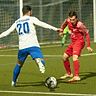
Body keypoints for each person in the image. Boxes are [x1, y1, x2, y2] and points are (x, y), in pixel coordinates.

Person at [0, 5, 60, 86]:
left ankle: (13, 82)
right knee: (41, 61)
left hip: (22, 47)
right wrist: (56, 29)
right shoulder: (32, 19)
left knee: (18, 64)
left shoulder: (17, 22)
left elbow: (7, 32)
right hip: (33, 45)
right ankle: (38, 61)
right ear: (29, 11)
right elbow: (43, 24)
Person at [59, 11, 93, 82]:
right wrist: (61, 30)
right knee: (64, 57)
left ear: (76, 19)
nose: (72, 21)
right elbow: (64, 24)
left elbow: (87, 34)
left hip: (79, 42)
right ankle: (69, 73)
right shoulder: (68, 21)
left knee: (75, 57)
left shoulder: (80, 25)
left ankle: (76, 76)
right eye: (71, 19)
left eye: (74, 20)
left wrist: (88, 46)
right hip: (73, 42)